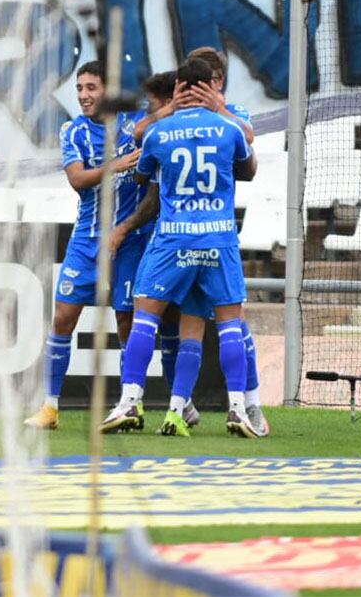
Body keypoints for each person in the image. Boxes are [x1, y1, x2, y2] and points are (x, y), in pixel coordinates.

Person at [101, 58, 260, 438]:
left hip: (171, 238)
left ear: (177, 89)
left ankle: (129, 402)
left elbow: (143, 173)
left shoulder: (158, 132)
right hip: (218, 238)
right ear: (211, 86)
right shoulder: (230, 129)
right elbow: (248, 169)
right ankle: (238, 408)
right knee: (229, 324)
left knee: (145, 317)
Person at [23, 61, 150, 431]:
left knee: (126, 319)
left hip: (128, 239)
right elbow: (77, 180)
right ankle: (49, 407)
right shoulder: (73, 130)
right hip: (87, 240)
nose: (83, 95)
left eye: (91, 87)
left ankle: (132, 403)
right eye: (79, 88)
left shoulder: (135, 125)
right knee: (63, 318)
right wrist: (118, 164)